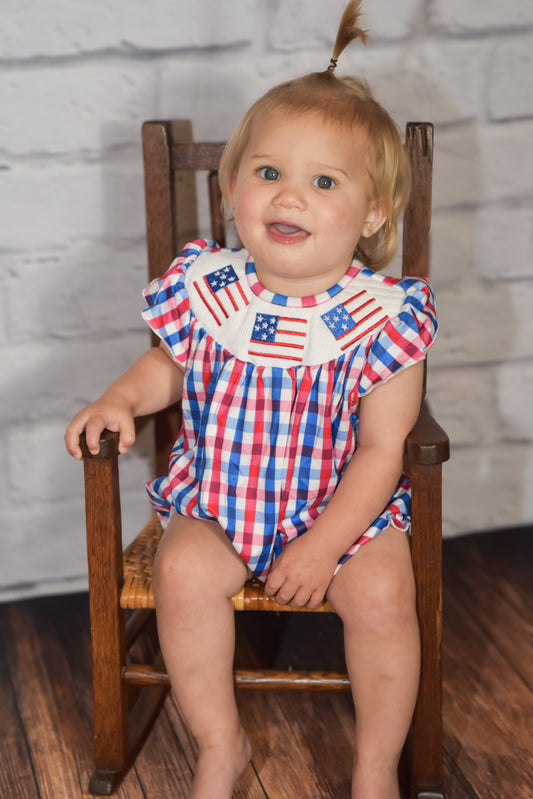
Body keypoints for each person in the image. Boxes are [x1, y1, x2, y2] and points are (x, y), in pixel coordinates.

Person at [65, 2, 438, 797]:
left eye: (323, 181)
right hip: (222, 502)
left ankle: (375, 763)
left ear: (372, 212)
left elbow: (382, 449)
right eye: (268, 173)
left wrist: (322, 544)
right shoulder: (210, 286)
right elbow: (169, 366)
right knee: (184, 573)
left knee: (382, 596)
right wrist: (119, 399)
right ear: (234, 187)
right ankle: (219, 741)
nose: (288, 197)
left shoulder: (384, 314)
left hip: (343, 509)